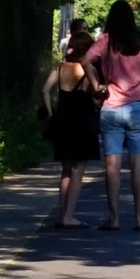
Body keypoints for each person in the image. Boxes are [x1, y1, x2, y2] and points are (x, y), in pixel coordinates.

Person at [89, 0, 140, 230]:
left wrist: (97, 83)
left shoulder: (106, 41)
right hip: (139, 107)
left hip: (112, 107)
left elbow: (86, 60)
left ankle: (114, 219)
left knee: (112, 164)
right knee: (138, 163)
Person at [40, 20, 103, 229]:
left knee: (65, 170)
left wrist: (50, 112)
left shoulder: (60, 68)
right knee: (79, 171)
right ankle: (70, 215)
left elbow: (45, 90)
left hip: (63, 120)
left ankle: (61, 213)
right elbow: (95, 100)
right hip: (83, 122)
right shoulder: (88, 70)